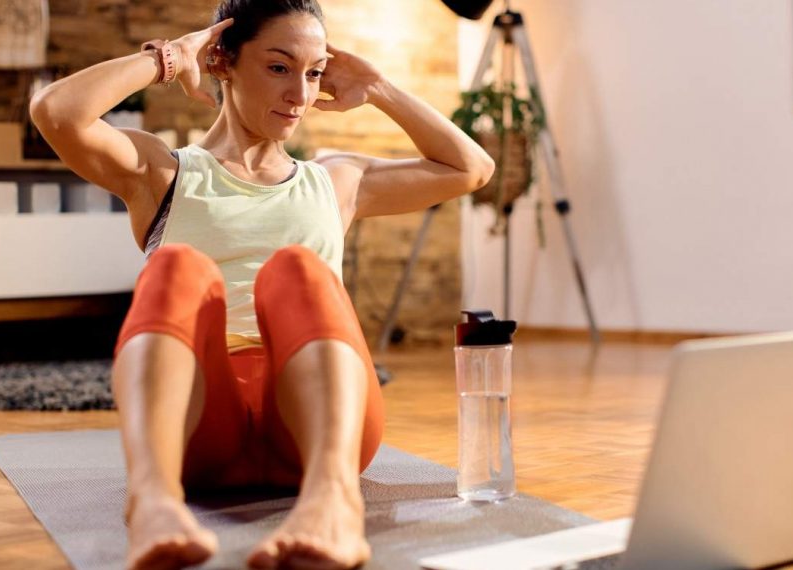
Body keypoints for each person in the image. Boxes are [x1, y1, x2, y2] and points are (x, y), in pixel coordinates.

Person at [29, 0, 494, 568]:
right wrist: (171, 57)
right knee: (178, 267)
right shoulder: (162, 172)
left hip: (316, 423)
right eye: (279, 67)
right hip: (201, 421)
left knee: (297, 269)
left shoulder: (337, 180)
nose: (300, 93)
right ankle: (152, 500)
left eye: (315, 71)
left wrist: (378, 87)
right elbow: (56, 111)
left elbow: (471, 169)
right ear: (222, 59)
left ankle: (333, 503)